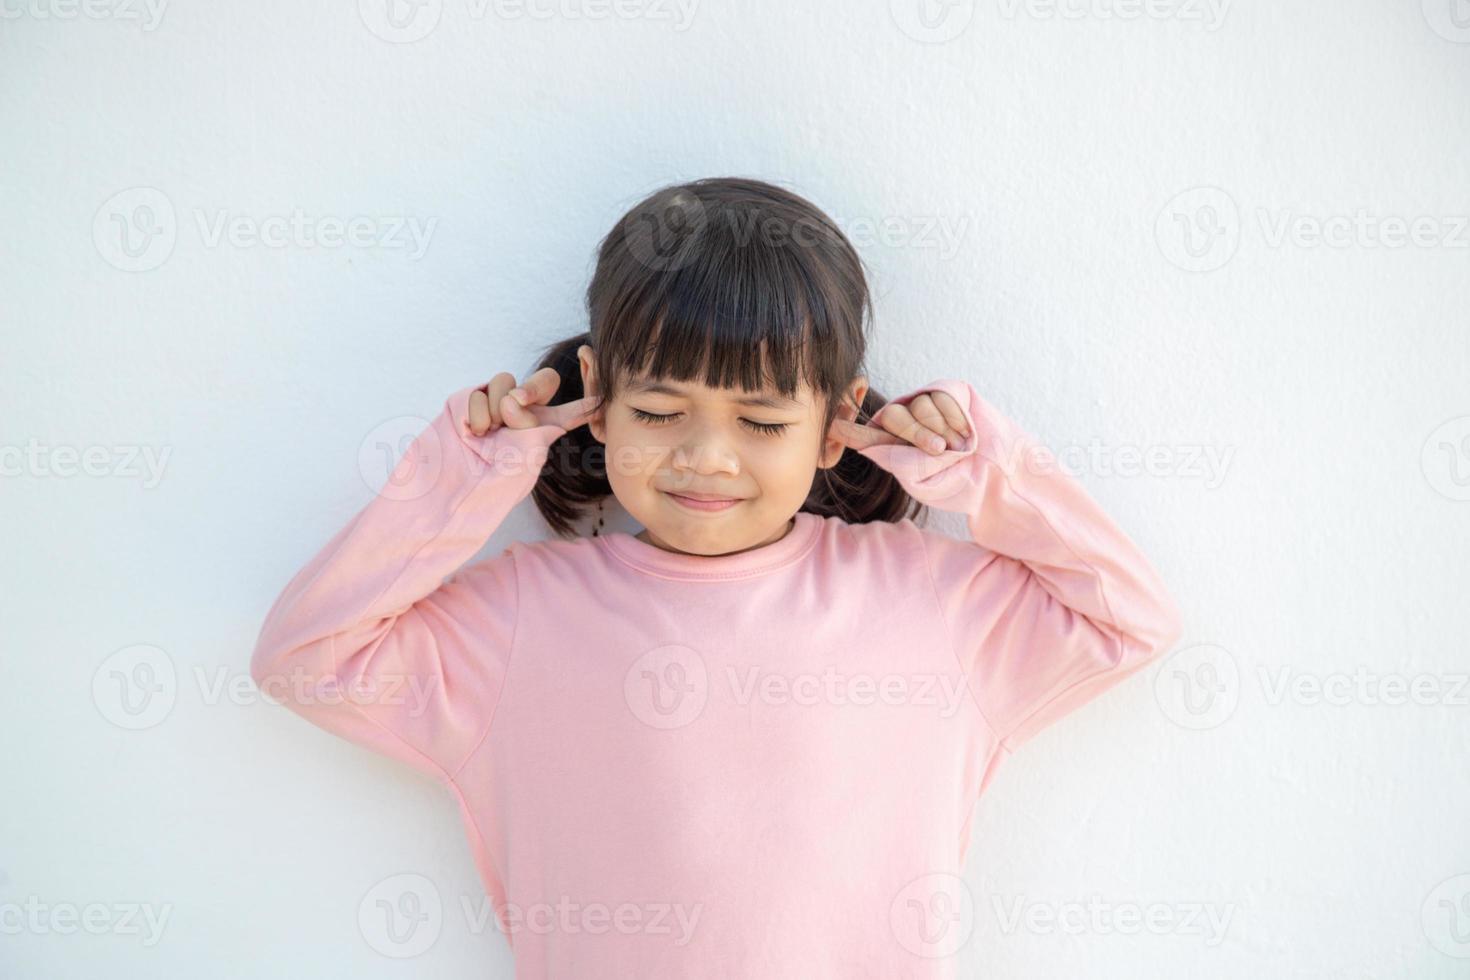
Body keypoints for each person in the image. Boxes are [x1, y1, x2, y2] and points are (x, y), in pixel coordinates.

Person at [250, 176, 1183, 977]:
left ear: (836, 422)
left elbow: (1128, 619)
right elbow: (305, 658)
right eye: (660, 410)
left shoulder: (930, 605)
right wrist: (465, 473)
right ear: (599, 400)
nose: (707, 457)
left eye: (763, 424)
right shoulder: (520, 618)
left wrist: (986, 467)